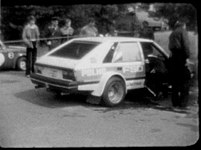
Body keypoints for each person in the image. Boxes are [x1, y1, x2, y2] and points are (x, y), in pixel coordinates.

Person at [168, 19, 191, 109]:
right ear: (183, 25)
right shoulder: (183, 32)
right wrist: (187, 58)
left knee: (175, 82)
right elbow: (186, 45)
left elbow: (170, 47)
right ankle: (183, 104)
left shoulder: (172, 33)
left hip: (173, 57)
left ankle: (175, 102)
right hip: (181, 57)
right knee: (185, 81)